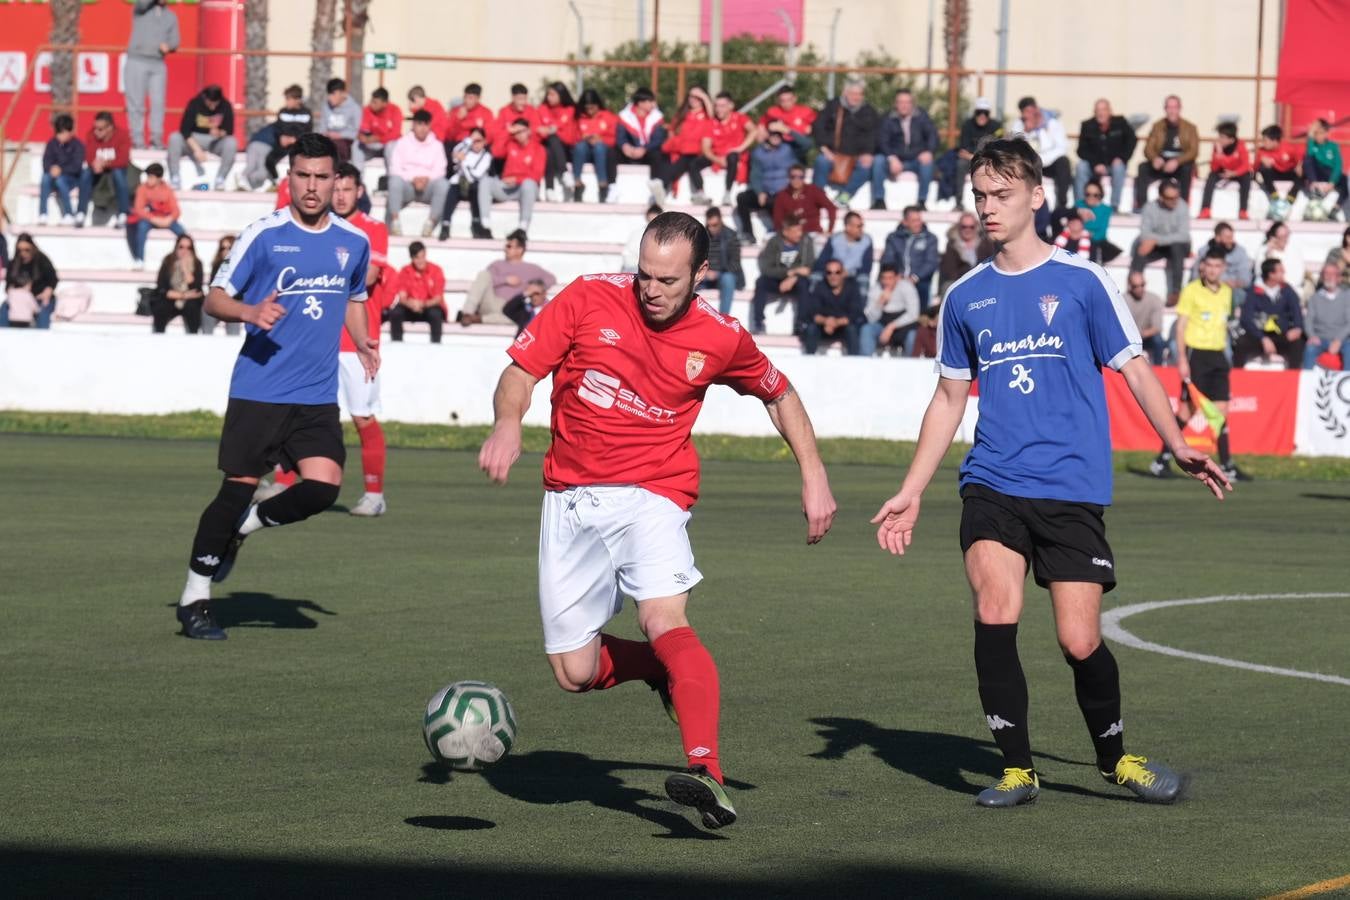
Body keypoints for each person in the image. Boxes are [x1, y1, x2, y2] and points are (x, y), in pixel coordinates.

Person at [873, 136, 1228, 810]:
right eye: (979, 196)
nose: (987, 208)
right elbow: (950, 398)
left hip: (1070, 486)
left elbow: (1134, 366)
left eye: (1001, 195)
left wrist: (1176, 444)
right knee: (994, 609)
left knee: (1079, 639)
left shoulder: (1083, 281)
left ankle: (1113, 758)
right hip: (993, 481)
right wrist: (911, 491)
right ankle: (1016, 770)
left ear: (1036, 196)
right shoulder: (964, 297)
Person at [478, 210, 837, 830]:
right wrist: (510, 419)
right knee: (574, 672)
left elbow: (779, 393)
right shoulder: (588, 298)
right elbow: (519, 372)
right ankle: (658, 671)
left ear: (701, 272)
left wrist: (813, 473)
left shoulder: (720, 335)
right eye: (644, 274)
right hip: (570, 497)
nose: (651, 288)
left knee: (663, 616)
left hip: (655, 490)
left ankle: (708, 774)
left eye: (668, 279)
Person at [173, 133, 376, 641]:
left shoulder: (353, 242)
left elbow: (354, 296)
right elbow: (214, 299)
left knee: (323, 488)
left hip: (315, 395)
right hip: (259, 390)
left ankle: (245, 529)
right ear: (289, 178)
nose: (312, 187)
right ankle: (194, 597)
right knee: (234, 488)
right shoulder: (263, 235)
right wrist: (249, 311)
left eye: (322, 177)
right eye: (303, 176)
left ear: (338, 182)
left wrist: (364, 340)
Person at [260, 162, 395, 517]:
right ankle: (284, 481)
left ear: (359, 192)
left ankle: (374, 494)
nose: (339, 195)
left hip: (357, 341)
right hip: (314, 338)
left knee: (362, 416)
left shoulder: (371, 230)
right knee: (295, 409)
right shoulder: (318, 227)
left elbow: (368, 276)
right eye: (336, 188)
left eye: (347, 189)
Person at [1149, 248, 1248, 482]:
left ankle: (1228, 465)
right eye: (1209, 265)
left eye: (1217, 266)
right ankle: (1161, 459)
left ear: (1223, 268)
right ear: (1203, 267)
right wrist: (1181, 359)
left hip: (1218, 356)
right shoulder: (1192, 290)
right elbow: (1181, 327)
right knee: (1187, 411)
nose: (1213, 270)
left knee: (1222, 412)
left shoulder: (1226, 292)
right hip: (1197, 356)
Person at [459, 230, 556, 326]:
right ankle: (467, 314)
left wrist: (531, 287)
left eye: (509, 246)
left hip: (511, 308)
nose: (506, 249)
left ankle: (478, 319)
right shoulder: (497, 265)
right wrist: (505, 280)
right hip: (492, 302)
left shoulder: (532, 269)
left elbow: (551, 279)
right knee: (483, 274)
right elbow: (485, 281)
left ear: (520, 249)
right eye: (506, 246)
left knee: (520, 315)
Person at [810, 78, 879, 204]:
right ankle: (816, 196)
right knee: (821, 161)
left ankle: (845, 196)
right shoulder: (833, 107)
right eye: (853, 93)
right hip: (833, 154)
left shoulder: (869, 111)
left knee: (866, 168)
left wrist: (868, 153)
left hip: (857, 156)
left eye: (859, 94)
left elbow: (874, 134)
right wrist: (825, 149)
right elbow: (818, 127)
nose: (856, 97)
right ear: (845, 93)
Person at [386, 109, 450, 238]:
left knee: (443, 184)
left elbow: (441, 170)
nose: (422, 128)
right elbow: (395, 168)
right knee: (394, 181)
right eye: (419, 124)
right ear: (413, 125)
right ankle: (395, 222)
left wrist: (426, 179)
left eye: (426, 124)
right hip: (408, 186)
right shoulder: (402, 143)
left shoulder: (437, 145)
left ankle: (430, 224)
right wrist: (413, 179)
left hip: (428, 186)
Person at [125, 0, 180, 150]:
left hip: (158, 63)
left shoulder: (170, 16)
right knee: (136, 103)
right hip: (137, 59)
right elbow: (142, 3)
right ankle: (137, 140)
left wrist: (169, 46)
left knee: (158, 103)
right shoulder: (141, 9)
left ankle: (156, 139)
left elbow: (175, 41)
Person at [872, 89, 938, 211]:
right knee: (878, 160)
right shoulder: (887, 118)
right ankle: (879, 200)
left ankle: (922, 201)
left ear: (912, 104)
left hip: (916, 159)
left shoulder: (921, 116)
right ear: (895, 104)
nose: (904, 105)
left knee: (927, 163)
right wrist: (891, 158)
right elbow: (882, 141)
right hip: (895, 159)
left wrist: (929, 151)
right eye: (900, 102)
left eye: (907, 102)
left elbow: (932, 135)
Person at [478, 118, 544, 239]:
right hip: (506, 186)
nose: (518, 135)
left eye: (521, 131)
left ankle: (523, 228)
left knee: (529, 184)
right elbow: (496, 151)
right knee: (485, 181)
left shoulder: (538, 148)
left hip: (523, 188)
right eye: (515, 132)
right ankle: (485, 225)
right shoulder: (510, 144)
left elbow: (537, 175)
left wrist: (517, 179)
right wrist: (507, 132)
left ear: (528, 131)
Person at [750, 214, 815, 334]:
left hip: (796, 281)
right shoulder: (774, 242)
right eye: (795, 231)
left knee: (805, 284)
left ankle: (801, 323)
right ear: (785, 232)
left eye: (800, 230)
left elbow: (808, 267)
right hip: (776, 280)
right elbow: (766, 268)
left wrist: (794, 277)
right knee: (761, 282)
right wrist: (789, 272)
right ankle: (758, 322)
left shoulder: (806, 241)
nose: (799, 234)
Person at [1233, 259, 1304, 369]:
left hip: (1281, 335)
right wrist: (1263, 338)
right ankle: (1236, 380)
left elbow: (1297, 311)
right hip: (1258, 336)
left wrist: (1297, 328)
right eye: (1280, 270)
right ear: (1271, 275)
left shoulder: (1287, 290)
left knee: (1297, 344)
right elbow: (1246, 319)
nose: (1284, 272)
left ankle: (1292, 380)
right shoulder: (1254, 291)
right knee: (1241, 345)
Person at [1130, 178, 1190, 304]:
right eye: (1170, 198)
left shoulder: (1182, 206)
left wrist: (1156, 240)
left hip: (1176, 246)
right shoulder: (1150, 208)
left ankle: (1175, 292)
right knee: (1140, 247)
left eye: (1176, 197)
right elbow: (1145, 233)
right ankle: (1135, 285)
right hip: (1157, 247)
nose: (1174, 201)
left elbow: (1184, 236)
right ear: (1161, 197)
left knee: (1177, 247)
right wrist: (1154, 241)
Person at [1133, 95, 1198, 212]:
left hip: (1180, 163)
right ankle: (1141, 206)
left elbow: (1193, 151)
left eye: (1175, 107)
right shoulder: (1157, 126)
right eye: (1169, 107)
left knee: (1187, 169)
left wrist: (1177, 161)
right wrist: (1154, 159)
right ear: (1165, 109)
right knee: (1142, 168)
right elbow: (1148, 148)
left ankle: (1182, 206)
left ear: (1179, 109)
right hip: (1161, 162)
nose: (1172, 111)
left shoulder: (1190, 128)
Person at [241, 85, 313, 190]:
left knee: (299, 162)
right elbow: (279, 128)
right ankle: (276, 182)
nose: (287, 102)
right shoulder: (283, 112)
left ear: (298, 100)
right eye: (286, 99)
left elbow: (307, 131)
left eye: (289, 99)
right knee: (269, 160)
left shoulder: (306, 113)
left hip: (300, 144)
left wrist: (295, 139)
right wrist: (282, 138)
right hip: (284, 144)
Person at [167, 85, 236, 191]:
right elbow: (185, 130)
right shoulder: (195, 103)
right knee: (174, 138)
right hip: (194, 139)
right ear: (205, 98)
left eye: (215, 104)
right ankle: (175, 178)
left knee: (231, 143)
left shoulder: (225, 105)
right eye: (210, 103)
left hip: (214, 141)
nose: (212, 107)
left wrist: (220, 132)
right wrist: (197, 150)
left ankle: (220, 179)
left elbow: (229, 130)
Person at [1008, 97, 1071, 212]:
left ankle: (1062, 204)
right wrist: (1027, 132)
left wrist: (1042, 159)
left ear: (1036, 109)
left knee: (1064, 162)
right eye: (1025, 113)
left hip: (1050, 163)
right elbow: (1016, 147)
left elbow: (1062, 148)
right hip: (1030, 163)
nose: (1029, 115)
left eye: (1030, 111)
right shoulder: (1019, 125)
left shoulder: (1053, 122)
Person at [654, 88, 715, 206]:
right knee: (675, 163)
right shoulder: (683, 114)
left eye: (697, 97)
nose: (693, 99)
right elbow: (672, 129)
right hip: (684, 151)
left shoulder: (706, 114)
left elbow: (712, 115)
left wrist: (704, 96)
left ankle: (699, 193)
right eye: (691, 96)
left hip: (700, 152)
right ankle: (661, 187)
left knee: (691, 163)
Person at [1075, 99, 1136, 211]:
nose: (1101, 113)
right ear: (1094, 112)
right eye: (1098, 110)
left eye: (1103, 110)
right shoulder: (1087, 125)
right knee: (1081, 166)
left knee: (1119, 168)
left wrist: (1121, 158)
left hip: (1114, 165)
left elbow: (1131, 141)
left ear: (1110, 111)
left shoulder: (1121, 122)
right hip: (1094, 165)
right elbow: (1081, 150)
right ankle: (1080, 205)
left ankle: (1114, 206)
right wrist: (1095, 164)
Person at [735, 129, 795, 242]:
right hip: (765, 191)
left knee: (777, 201)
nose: (776, 137)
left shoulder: (788, 149)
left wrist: (788, 130)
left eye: (778, 134)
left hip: (783, 191)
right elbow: (755, 175)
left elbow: (806, 144)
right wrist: (759, 192)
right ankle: (748, 234)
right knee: (742, 198)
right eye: (773, 134)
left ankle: (779, 231)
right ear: (768, 135)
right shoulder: (758, 152)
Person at [126, 162, 185, 270]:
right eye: (148, 176)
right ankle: (139, 259)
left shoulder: (167, 189)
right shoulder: (142, 188)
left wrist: (169, 219)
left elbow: (176, 210)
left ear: (159, 178)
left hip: (166, 219)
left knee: (183, 234)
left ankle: (186, 259)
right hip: (150, 219)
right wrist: (153, 218)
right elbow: (139, 209)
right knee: (141, 227)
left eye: (152, 177)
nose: (149, 180)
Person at [438, 126, 493, 241]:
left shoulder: (486, 156)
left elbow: (475, 175)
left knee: (476, 192)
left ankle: (477, 223)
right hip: (459, 183)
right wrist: (467, 141)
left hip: (474, 185)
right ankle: (445, 224)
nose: (476, 144)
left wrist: (463, 162)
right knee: (452, 190)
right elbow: (455, 153)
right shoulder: (466, 150)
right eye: (473, 141)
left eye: (479, 141)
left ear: (484, 141)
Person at [880, 205, 940, 310]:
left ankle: (921, 318)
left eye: (919, 220)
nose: (918, 223)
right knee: (883, 288)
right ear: (905, 222)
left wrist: (914, 277)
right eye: (914, 221)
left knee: (922, 289)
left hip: (919, 280)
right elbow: (888, 259)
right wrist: (896, 276)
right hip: (898, 279)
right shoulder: (893, 238)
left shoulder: (930, 238)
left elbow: (931, 263)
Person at [80, 112, 133, 228]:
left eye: (100, 129)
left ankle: (123, 213)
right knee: (85, 174)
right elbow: (89, 157)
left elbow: (123, 159)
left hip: (116, 170)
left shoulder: (122, 135)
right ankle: (81, 213)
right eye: (95, 128)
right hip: (97, 171)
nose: (96, 132)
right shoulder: (91, 135)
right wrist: (95, 164)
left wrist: (105, 164)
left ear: (110, 128)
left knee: (119, 174)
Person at [703, 91, 755, 206]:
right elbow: (706, 147)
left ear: (731, 106)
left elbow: (753, 131)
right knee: (693, 162)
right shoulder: (711, 123)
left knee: (733, 157)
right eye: (716, 106)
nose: (718, 109)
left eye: (722, 106)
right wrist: (717, 159)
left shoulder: (740, 118)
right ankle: (700, 193)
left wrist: (741, 148)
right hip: (717, 156)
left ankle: (727, 193)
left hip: (735, 156)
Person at [389, 241, 447, 343]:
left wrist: (422, 304)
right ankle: (397, 344)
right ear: (411, 258)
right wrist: (411, 304)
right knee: (395, 313)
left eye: (423, 256)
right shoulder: (405, 271)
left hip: (429, 306)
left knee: (435, 314)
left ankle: (436, 346)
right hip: (411, 307)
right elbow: (402, 297)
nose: (421, 261)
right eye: (417, 257)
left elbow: (438, 298)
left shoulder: (436, 270)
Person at [616, 88, 668, 202]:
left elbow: (658, 139)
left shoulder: (657, 117)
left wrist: (644, 149)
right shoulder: (625, 116)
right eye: (650, 101)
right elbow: (620, 137)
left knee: (658, 155)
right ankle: (611, 187)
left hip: (648, 152)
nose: (653, 104)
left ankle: (656, 185)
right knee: (611, 153)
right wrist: (625, 146)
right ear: (640, 103)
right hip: (630, 152)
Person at [802, 260, 863, 355]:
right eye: (829, 273)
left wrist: (836, 322)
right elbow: (813, 312)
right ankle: (808, 360)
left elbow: (855, 313)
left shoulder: (852, 287)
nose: (833, 276)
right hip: (823, 327)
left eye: (837, 272)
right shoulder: (820, 286)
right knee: (811, 329)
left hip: (843, 327)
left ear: (843, 273)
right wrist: (826, 321)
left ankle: (854, 363)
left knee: (852, 329)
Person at [37, 114, 86, 227]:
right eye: (58, 133)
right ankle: (43, 214)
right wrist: (51, 168)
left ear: (70, 131)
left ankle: (69, 214)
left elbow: (77, 166)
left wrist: (61, 170)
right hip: (54, 176)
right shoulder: (52, 143)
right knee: (45, 178)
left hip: (71, 179)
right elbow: (46, 161)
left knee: (61, 180)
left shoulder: (78, 145)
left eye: (63, 133)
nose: (60, 136)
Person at [0, 234, 58, 329]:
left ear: (32, 247)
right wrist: (18, 291)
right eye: (20, 250)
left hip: (39, 297)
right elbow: (8, 286)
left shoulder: (42, 260)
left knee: (43, 313)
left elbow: (53, 279)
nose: (23, 253)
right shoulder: (14, 263)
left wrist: (47, 292)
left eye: (26, 249)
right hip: (19, 299)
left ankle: (41, 339)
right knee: (4, 309)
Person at [861, 263, 921, 355]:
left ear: (897, 277)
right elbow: (871, 319)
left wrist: (891, 327)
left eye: (890, 278)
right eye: (884, 278)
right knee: (866, 330)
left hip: (904, 325)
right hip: (882, 323)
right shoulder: (876, 289)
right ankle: (865, 364)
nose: (886, 282)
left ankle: (911, 365)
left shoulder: (907, 287)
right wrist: (880, 303)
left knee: (913, 336)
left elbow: (913, 314)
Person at [151, 233, 205, 333]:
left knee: (193, 307)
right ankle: (158, 336)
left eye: (188, 248)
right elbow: (162, 287)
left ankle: (193, 337)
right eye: (181, 247)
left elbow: (196, 289)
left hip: (189, 301)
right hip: (172, 297)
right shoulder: (168, 260)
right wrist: (183, 295)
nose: (184, 251)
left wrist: (185, 268)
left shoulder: (197, 263)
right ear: (176, 247)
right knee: (161, 306)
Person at [955, 98, 1003, 210]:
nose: (982, 115)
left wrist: (983, 156)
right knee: (960, 165)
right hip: (972, 160)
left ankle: (997, 199)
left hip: (990, 159)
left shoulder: (996, 126)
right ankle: (958, 201)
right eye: (979, 112)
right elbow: (963, 151)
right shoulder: (967, 125)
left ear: (989, 114)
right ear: (975, 113)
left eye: (985, 113)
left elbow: (999, 147)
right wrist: (980, 157)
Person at [1192, 221, 1253, 308]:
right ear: (1217, 238)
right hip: (1208, 288)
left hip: (1234, 291)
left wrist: (1233, 283)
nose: (1231, 241)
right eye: (1227, 237)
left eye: (1231, 237)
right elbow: (1195, 277)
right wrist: (1223, 281)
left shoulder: (1240, 252)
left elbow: (1246, 279)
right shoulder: (1204, 252)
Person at [572, 89, 619, 203]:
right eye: (587, 108)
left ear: (598, 105)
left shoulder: (608, 117)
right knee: (579, 147)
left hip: (602, 151)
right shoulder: (579, 118)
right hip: (584, 151)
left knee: (599, 148)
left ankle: (602, 184)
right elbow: (572, 137)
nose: (589, 111)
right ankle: (577, 183)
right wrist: (584, 138)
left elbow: (614, 138)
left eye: (592, 107)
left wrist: (601, 139)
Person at [1199, 122, 1253, 220]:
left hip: (1237, 172)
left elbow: (1246, 165)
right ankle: (1205, 209)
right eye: (1219, 136)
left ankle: (1243, 211)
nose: (1220, 140)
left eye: (1223, 137)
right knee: (1211, 177)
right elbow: (1214, 167)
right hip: (1223, 171)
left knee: (1247, 177)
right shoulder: (1218, 147)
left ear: (1231, 140)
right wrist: (1219, 153)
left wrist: (1234, 173)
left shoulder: (1241, 146)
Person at [536, 82, 578, 202]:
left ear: (561, 95)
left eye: (553, 94)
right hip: (547, 144)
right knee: (548, 149)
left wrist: (551, 130)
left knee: (553, 139)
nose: (549, 97)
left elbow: (568, 133)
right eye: (548, 94)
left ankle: (555, 183)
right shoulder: (542, 108)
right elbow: (539, 129)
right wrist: (551, 130)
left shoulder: (570, 109)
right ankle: (551, 188)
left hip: (565, 147)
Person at [1304, 262, 1350, 369]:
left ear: (1339, 278)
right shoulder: (1314, 298)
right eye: (1326, 274)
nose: (1329, 277)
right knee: (1310, 349)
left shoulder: (1347, 297)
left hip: (1342, 339)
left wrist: (1338, 340)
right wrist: (1311, 335)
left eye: (1333, 274)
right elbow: (1308, 320)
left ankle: (1347, 383)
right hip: (1320, 338)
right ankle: (1307, 382)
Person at [938, 212, 994, 298]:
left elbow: (992, 263)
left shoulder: (985, 243)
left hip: (984, 281)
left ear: (976, 227)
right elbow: (950, 271)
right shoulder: (952, 245)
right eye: (964, 227)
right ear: (959, 227)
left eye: (971, 227)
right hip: (960, 282)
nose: (968, 230)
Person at [815, 210, 875, 290]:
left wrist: (849, 273)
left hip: (854, 276)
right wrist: (835, 273)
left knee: (863, 279)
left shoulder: (867, 241)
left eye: (862, 225)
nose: (861, 229)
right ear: (848, 227)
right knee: (815, 277)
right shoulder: (834, 239)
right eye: (858, 226)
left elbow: (866, 267)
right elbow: (822, 261)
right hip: (833, 274)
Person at [700, 207, 744, 316]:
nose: (711, 229)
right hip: (705, 276)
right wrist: (704, 272)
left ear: (721, 221)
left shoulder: (731, 235)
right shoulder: (701, 235)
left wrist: (717, 273)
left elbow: (735, 263)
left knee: (728, 279)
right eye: (709, 225)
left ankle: (723, 319)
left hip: (723, 275)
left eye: (715, 225)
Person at [772, 162, 837, 235]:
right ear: (788, 177)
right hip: (791, 235)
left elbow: (831, 208)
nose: (796, 180)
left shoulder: (813, 190)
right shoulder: (782, 195)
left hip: (813, 232)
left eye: (800, 177)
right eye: (793, 177)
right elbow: (778, 220)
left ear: (804, 177)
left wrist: (830, 230)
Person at [1304, 118, 1348, 220]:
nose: (1319, 136)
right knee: (1308, 160)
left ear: (1327, 133)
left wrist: (1332, 182)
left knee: (1345, 180)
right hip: (1317, 172)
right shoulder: (1312, 144)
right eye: (1316, 133)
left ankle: (1335, 209)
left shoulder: (1333, 146)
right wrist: (1310, 136)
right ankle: (1314, 187)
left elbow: (1338, 165)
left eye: (1321, 133)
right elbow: (1309, 158)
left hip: (1329, 173)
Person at [1254, 125, 1304, 213]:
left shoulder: (1288, 148)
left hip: (1288, 173)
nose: (1263, 143)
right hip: (1274, 174)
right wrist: (1261, 161)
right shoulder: (1262, 151)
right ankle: (1274, 196)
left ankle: (1291, 198)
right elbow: (1255, 169)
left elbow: (1300, 161)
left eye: (1265, 140)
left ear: (1275, 141)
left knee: (1303, 172)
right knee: (1264, 169)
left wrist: (1299, 167)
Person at [759, 85, 816, 163]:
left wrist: (811, 129)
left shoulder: (806, 112)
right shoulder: (772, 112)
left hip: (797, 146)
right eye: (783, 101)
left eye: (789, 100)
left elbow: (814, 128)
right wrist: (763, 134)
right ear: (779, 101)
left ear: (795, 99)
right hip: (780, 144)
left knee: (807, 144)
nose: (786, 103)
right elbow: (761, 125)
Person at [353, 86, 402, 169]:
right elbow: (363, 128)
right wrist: (361, 136)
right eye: (371, 101)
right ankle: (357, 177)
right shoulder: (367, 110)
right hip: (372, 145)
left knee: (391, 146)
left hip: (387, 144)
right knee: (356, 145)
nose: (372, 104)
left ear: (384, 103)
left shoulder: (395, 110)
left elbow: (395, 134)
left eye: (375, 102)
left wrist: (378, 138)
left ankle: (392, 178)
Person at [201, 235, 240, 336]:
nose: (226, 251)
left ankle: (233, 342)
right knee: (206, 310)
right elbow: (212, 287)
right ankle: (206, 340)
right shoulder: (217, 265)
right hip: (220, 300)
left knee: (233, 311)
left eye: (229, 248)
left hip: (234, 301)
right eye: (223, 248)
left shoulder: (242, 265)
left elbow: (241, 291)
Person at [1122, 272, 1166, 364]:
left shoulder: (1154, 299)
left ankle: (1159, 369)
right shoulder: (1122, 300)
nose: (1139, 289)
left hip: (1146, 337)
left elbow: (1157, 328)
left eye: (1142, 285)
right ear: (1129, 286)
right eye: (1135, 286)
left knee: (1158, 340)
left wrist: (1140, 334)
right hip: (1128, 338)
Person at [1074, 181, 1120, 264]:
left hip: (1094, 241)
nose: (1091, 197)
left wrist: (1085, 233)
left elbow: (1101, 233)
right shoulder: (1078, 205)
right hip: (1078, 238)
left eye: (1095, 195)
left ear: (1100, 195)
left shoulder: (1106, 209)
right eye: (1088, 194)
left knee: (1093, 244)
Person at [319, 78, 362, 162]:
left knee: (338, 146)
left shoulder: (354, 108)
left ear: (343, 93)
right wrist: (324, 134)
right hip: (329, 140)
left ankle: (341, 170)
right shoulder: (326, 107)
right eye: (329, 94)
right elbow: (322, 128)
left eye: (333, 94)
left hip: (346, 141)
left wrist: (340, 135)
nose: (330, 97)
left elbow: (357, 132)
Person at [492, 83, 541, 157]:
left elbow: (536, 129)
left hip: (527, 146)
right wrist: (509, 131)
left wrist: (520, 130)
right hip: (510, 146)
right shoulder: (504, 111)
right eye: (520, 99)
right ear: (513, 97)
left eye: (525, 99)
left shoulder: (531, 110)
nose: (523, 102)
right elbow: (497, 133)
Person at [622, 204, 663, 274]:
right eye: (651, 220)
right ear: (647, 217)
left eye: (655, 220)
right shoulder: (636, 234)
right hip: (636, 269)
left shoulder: (666, 236)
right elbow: (628, 256)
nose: (652, 223)